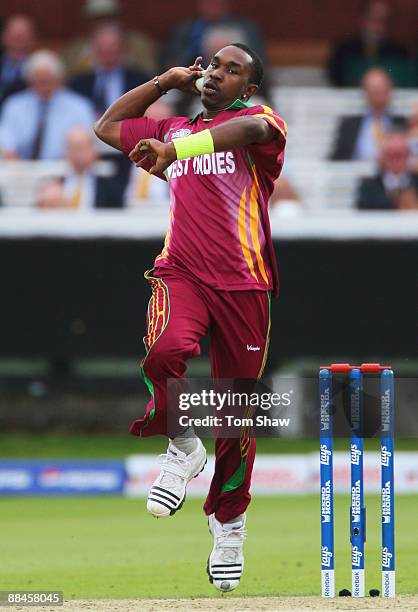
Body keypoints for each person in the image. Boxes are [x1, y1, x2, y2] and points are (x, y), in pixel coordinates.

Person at [94, 43, 286, 592]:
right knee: (163, 352)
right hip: (183, 272)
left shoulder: (261, 121)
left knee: (236, 415)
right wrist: (162, 82)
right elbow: (108, 126)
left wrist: (177, 151)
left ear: (247, 88)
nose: (217, 74)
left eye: (233, 71)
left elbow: (250, 136)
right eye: (212, 64)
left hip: (246, 284)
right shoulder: (173, 129)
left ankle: (228, 523)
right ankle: (182, 445)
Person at [0, 51, 95, 160]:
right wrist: (8, 152)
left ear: (59, 80)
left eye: (48, 81)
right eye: (39, 81)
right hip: (20, 170)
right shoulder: (14, 105)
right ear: (30, 81)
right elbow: (5, 140)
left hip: (64, 169)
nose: (44, 87)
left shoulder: (80, 106)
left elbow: (87, 144)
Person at [69, 23, 149, 118]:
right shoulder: (79, 83)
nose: (107, 50)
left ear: (123, 49)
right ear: (94, 49)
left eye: (112, 46)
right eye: (102, 46)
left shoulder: (140, 81)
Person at [159, 0, 264, 70]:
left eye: (217, 2)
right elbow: (171, 62)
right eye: (208, 2)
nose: (213, 5)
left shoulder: (244, 28)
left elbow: (258, 64)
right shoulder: (187, 29)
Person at [328, 0, 409, 87]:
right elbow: (335, 77)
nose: (378, 25)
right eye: (374, 18)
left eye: (383, 20)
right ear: (362, 19)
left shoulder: (399, 51)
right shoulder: (344, 48)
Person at [330, 68, 406, 161]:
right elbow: (338, 155)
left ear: (390, 90)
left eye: (381, 86)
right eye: (372, 87)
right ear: (364, 91)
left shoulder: (403, 122)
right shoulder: (349, 124)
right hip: (355, 172)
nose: (377, 90)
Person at [356, 132, 418, 210]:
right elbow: (364, 210)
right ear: (382, 158)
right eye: (390, 155)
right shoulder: (368, 186)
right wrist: (397, 202)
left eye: (400, 155)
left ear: (408, 156)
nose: (396, 160)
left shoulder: (416, 182)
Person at [0, 15, 37, 107]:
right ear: (3, 37)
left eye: (24, 34)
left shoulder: (40, 67)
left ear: (32, 38)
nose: (19, 37)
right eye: (14, 34)